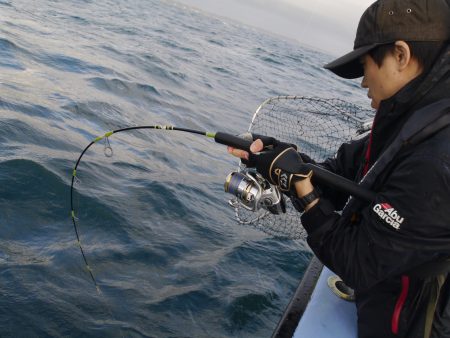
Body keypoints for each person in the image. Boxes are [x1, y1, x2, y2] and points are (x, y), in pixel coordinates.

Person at [228, 0, 450, 337]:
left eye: (365, 66)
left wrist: (304, 192)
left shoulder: (435, 160)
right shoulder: (409, 116)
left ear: (401, 56)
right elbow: (343, 172)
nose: (363, 83)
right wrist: (284, 159)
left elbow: (358, 263)